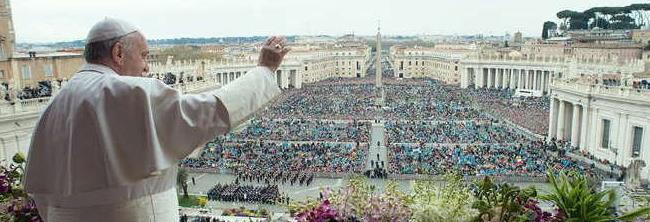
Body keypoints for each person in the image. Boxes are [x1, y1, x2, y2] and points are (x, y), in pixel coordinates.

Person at [23, 18, 290, 222]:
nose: (147, 67)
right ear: (118, 53)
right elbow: (206, 113)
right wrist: (264, 71)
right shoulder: (125, 92)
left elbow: (43, 195)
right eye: (144, 56)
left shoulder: (57, 103)